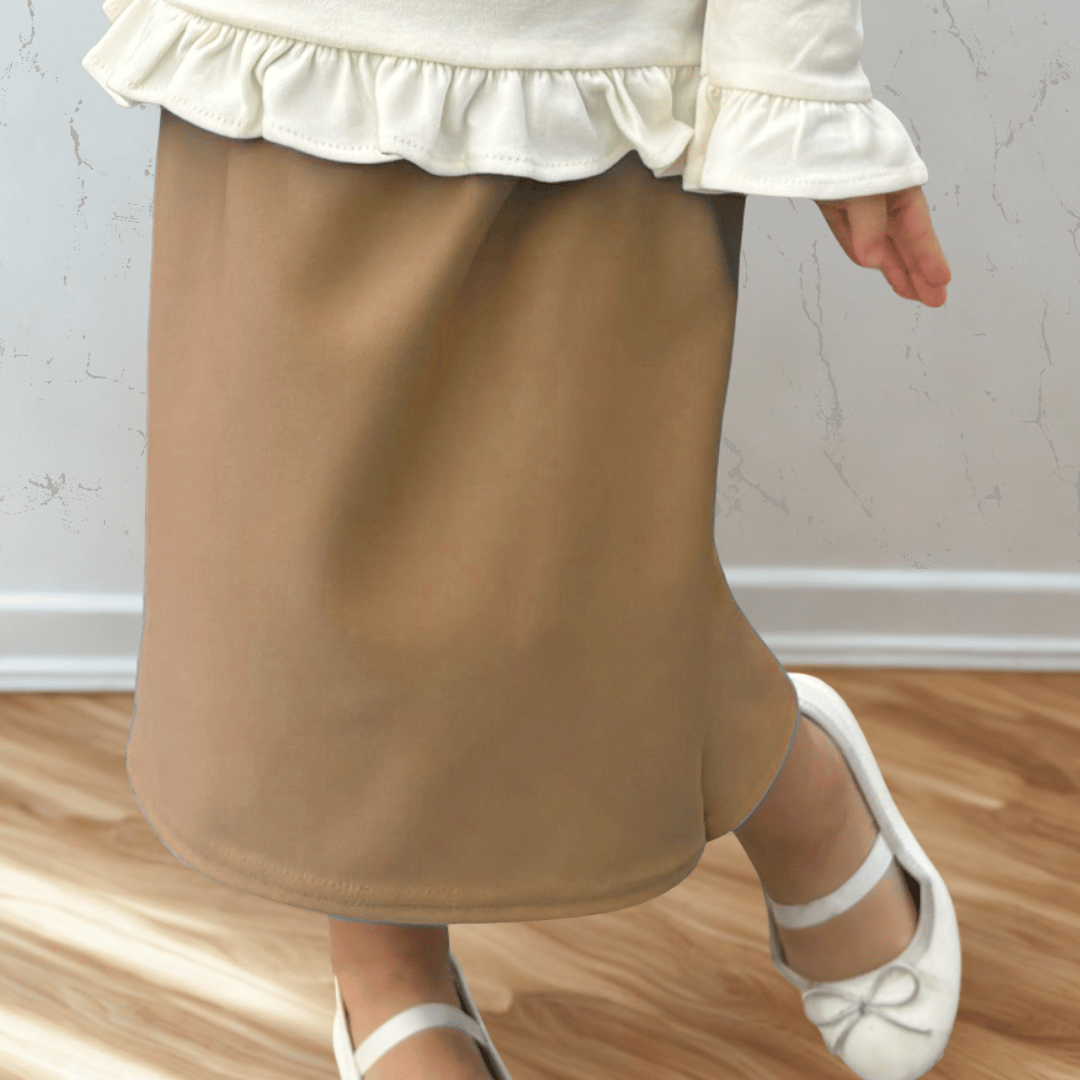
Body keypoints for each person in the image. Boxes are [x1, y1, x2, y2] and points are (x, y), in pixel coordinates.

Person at [82, 1, 956, 1078]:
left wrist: (801, 83)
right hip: (272, 37)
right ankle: (386, 969)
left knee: (574, 572)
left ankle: (791, 787)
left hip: (588, 67)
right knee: (295, 561)